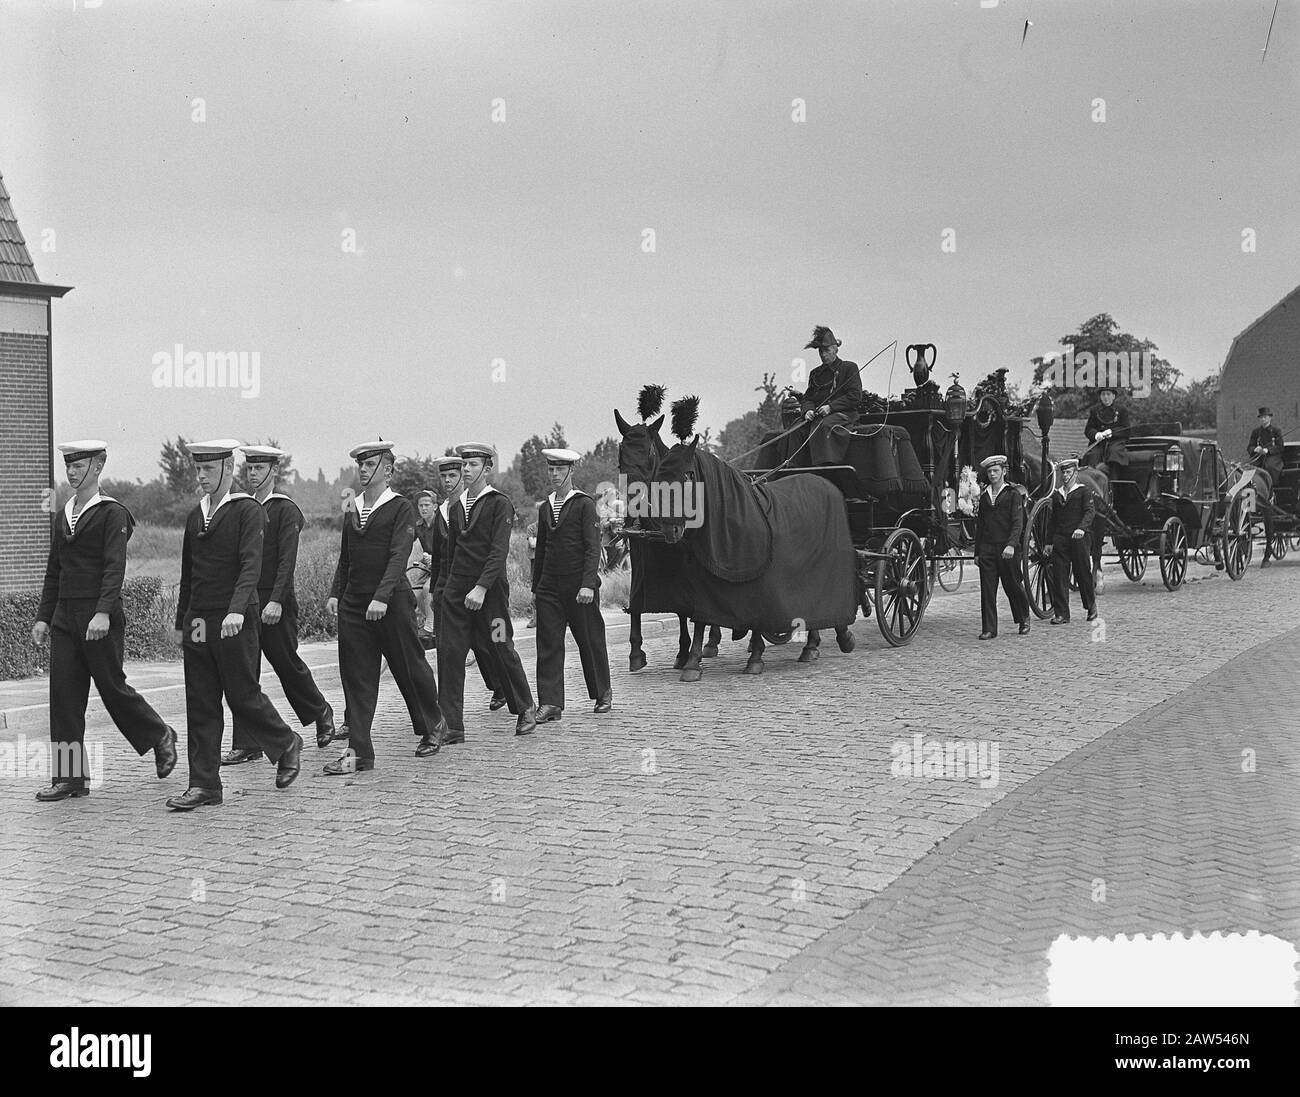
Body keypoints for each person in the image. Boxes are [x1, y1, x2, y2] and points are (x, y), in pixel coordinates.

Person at [31, 440, 178, 801]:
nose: (72, 472)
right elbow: (55, 571)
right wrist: (44, 617)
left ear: (98, 467)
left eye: (79, 466)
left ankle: (160, 734)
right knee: (63, 695)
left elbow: (115, 567)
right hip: (66, 616)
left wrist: (102, 612)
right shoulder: (64, 512)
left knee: (112, 689)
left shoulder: (113, 513)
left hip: (100, 617)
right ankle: (70, 778)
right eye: (69, 466)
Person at [168, 440, 302, 811]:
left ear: (228, 467)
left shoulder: (247, 510)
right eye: (198, 470)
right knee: (200, 701)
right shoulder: (197, 515)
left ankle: (285, 743)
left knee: (242, 695)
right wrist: (182, 623)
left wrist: (237, 610)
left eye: (208, 470)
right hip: (199, 620)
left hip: (234, 619)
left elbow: (251, 565)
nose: (201, 477)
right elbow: (188, 574)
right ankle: (204, 785)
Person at [324, 440, 447, 774]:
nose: (363, 470)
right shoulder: (353, 507)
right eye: (360, 465)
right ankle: (359, 752)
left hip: (391, 601)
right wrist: (337, 591)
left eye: (370, 464)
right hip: (354, 603)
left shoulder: (400, 507)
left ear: (388, 470)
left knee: (410, 667)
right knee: (357, 676)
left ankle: (433, 724)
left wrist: (381, 596)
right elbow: (346, 556)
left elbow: (398, 555)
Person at [222, 445, 337, 763]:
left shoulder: (285, 509)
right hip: (247, 601)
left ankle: (321, 711)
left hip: (275, 601)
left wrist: (275, 601)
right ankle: (248, 743)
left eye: (259, 469)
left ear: (274, 471)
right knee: (244, 673)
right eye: (250, 469)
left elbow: (287, 561)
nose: (253, 474)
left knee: (286, 663)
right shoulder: (240, 508)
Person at [438, 442, 537, 741]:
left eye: (472, 465)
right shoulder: (456, 508)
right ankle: (452, 725)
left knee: (501, 646)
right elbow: (450, 553)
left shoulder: (499, 503)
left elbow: (498, 551)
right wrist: (445, 590)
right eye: (463, 466)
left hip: (489, 594)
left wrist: (481, 588)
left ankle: (526, 708)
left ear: (487, 468)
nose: (465, 471)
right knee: (450, 654)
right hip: (457, 593)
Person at [532, 449, 612, 723]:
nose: (554, 474)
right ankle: (550, 702)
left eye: (559, 469)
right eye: (551, 469)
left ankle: (602, 692)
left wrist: (588, 584)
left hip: (580, 587)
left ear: (571, 471)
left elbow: (593, 547)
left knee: (590, 641)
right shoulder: (545, 507)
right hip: (549, 587)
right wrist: (536, 589)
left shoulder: (583, 504)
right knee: (548, 644)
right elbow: (541, 550)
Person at [429, 455, 505, 717]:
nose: (448, 481)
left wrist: (482, 585)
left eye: (454, 475)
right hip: (448, 586)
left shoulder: (478, 506)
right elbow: (441, 554)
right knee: (447, 649)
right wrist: (435, 590)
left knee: (490, 642)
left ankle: (502, 686)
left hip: (480, 586)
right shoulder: (442, 511)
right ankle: (447, 713)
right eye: (444, 477)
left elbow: (495, 550)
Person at [973, 454, 1030, 640]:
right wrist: (977, 552)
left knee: (1013, 585)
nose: (992, 474)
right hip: (988, 549)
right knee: (987, 590)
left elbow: (1017, 522)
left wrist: (1012, 545)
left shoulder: (1013, 494)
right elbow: (980, 526)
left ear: (1004, 472)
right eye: (989, 471)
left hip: (1007, 549)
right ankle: (989, 628)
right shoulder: (984, 497)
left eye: (995, 470)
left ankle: (1023, 618)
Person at [1046, 456, 1098, 624]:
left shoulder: (1084, 491)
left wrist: (1081, 528)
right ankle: (1061, 613)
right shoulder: (1057, 495)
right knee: (1059, 575)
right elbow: (1052, 520)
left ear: (1076, 473)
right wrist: (1048, 541)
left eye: (1069, 472)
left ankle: (1091, 606)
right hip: (1061, 538)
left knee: (1082, 572)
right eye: (1064, 473)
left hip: (1079, 539)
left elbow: (1090, 512)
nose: (1066, 476)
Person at [800, 326, 863, 465]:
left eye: (827, 351)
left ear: (836, 349)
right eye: (820, 351)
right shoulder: (815, 373)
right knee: (796, 429)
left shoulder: (849, 368)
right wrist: (808, 410)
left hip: (843, 416)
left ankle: (826, 466)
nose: (823, 355)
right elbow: (808, 398)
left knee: (823, 426)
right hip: (817, 416)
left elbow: (855, 396)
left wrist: (831, 407)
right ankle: (792, 467)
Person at [1248, 408, 1284, 567]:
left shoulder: (1276, 431)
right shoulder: (1256, 432)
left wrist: (1268, 450)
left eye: (1265, 417)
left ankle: (1270, 493)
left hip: (1273, 459)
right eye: (1261, 418)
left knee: (1269, 467)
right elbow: (1249, 447)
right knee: (1246, 470)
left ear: (1269, 417)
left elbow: (1280, 447)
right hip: (1257, 459)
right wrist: (1254, 449)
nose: (1263, 420)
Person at [1083, 386, 1130, 481]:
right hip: (1099, 443)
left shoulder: (1122, 410)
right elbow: (1088, 429)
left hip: (1115, 442)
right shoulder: (1094, 410)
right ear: (1100, 396)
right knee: (1092, 455)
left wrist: (1112, 432)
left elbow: (1126, 429)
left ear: (1113, 396)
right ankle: (1091, 482)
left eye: (1108, 394)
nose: (1106, 397)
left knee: (1115, 453)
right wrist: (1096, 434)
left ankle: (1113, 483)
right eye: (1103, 394)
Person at [412, 490, 438, 643]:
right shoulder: (418, 526)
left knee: (429, 588)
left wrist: (436, 558)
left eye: (427, 505)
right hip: (428, 567)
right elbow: (406, 543)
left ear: (435, 506)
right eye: (421, 505)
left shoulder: (442, 523)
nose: (423, 508)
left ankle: (430, 626)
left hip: (443, 566)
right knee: (412, 593)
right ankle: (429, 619)